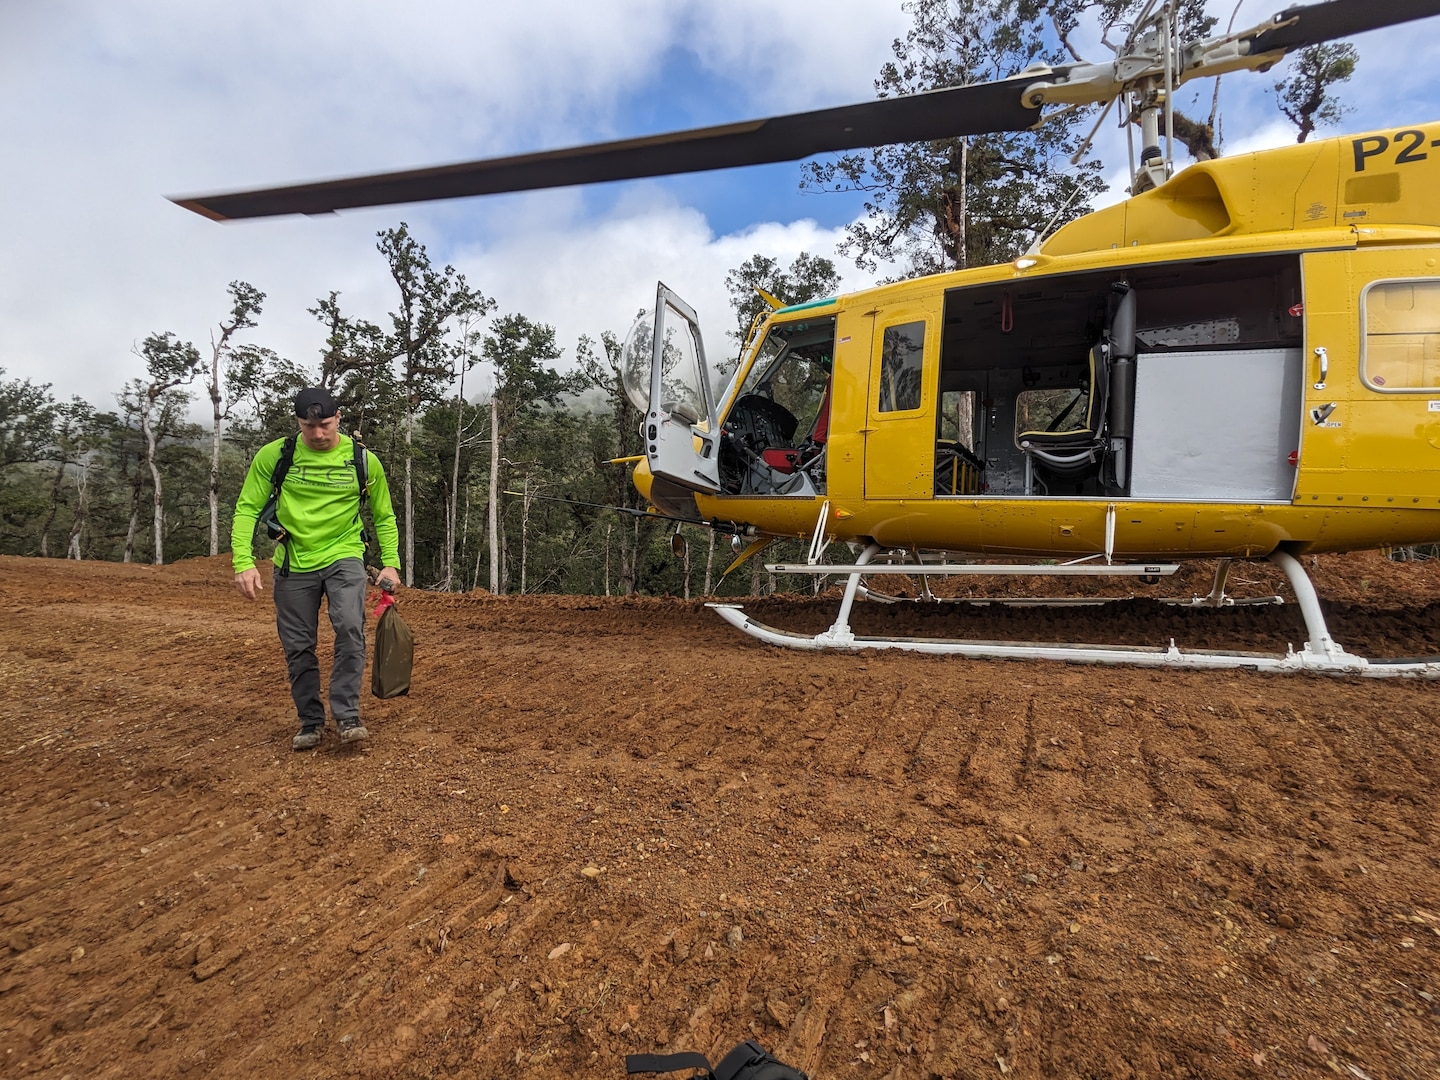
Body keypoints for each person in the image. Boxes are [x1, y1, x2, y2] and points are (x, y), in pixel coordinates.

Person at [231, 387, 401, 751]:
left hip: (345, 554)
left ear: (338, 418)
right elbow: (247, 508)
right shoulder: (277, 456)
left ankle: (348, 715)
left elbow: (384, 515)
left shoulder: (363, 461)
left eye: (325, 424)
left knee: (350, 628)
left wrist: (391, 562)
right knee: (297, 645)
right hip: (294, 561)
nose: (318, 434)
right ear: (298, 423)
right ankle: (310, 720)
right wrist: (243, 562)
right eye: (309, 426)